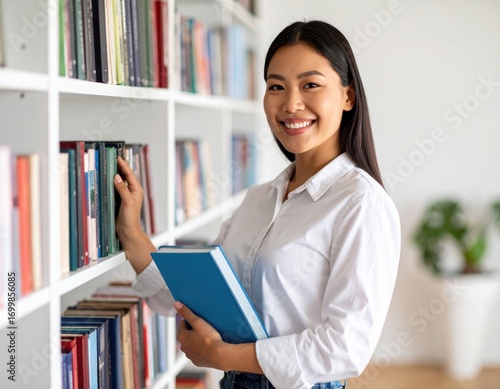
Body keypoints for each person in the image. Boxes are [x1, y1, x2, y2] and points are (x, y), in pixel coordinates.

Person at [114, 20, 400, 389]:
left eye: (310, 85)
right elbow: (199, 296)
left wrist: (223, 357)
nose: (291, 103)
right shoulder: (258, 199)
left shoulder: (361, 203)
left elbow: (346, 347)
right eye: (276, 87)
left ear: (348, 96)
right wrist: (130, 230)